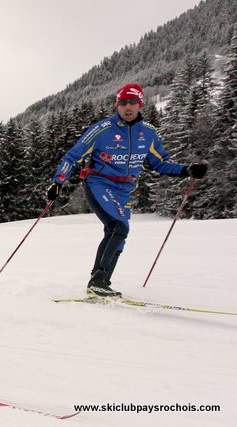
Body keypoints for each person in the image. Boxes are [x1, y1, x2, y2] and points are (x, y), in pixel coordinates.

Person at [47, 83, 208, 298]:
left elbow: (161, 163)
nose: (128, 107)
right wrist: (58, 182)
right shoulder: (102, 130)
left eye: (133, 102)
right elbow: (72, 156)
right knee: (118, 227)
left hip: (124, 189)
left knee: (118, 237)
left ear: (140, 104)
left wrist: (187, 170)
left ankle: (100, 281)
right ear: (117, 105)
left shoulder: (148, 133)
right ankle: (98, 283)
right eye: (123, 102)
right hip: (99, 183)